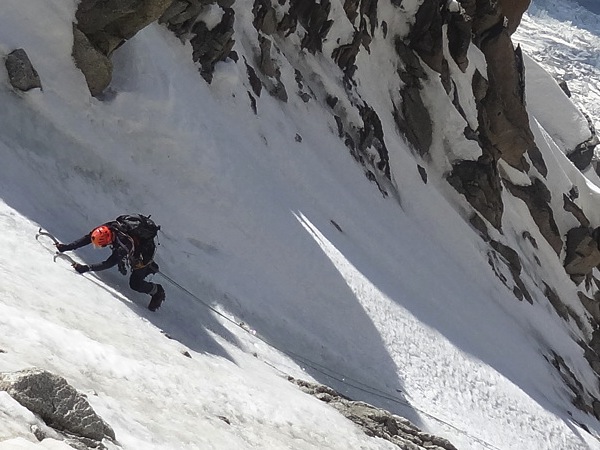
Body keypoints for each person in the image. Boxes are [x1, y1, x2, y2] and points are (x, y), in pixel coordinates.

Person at [55, 215, 165, 311]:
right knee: (130, 261)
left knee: (135, 284)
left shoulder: (124, 243)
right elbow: (88, 238)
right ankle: (149, 268)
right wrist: (67, 247)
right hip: (136, 246)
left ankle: (157, 291)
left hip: (144, 251)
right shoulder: (107, 227)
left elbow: (109, 263)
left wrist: (86, 268)